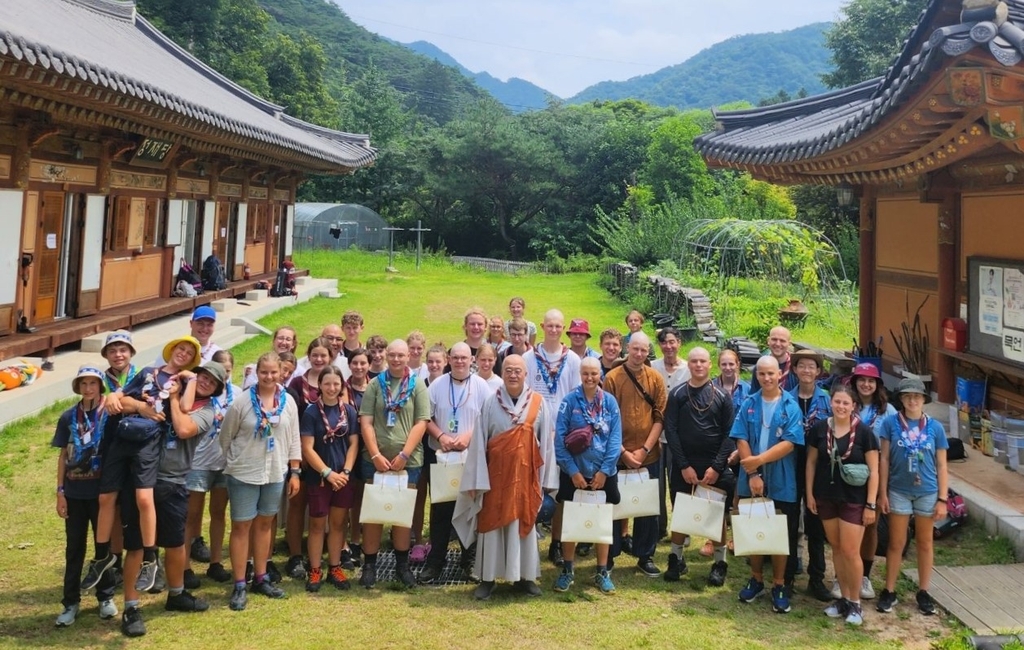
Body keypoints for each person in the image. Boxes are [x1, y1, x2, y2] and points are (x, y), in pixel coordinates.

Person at [82, 335, 202, 596]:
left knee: (144, 500)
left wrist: (189, 379)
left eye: (189, 353)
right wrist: (121, 397)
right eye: (180, 348)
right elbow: (120, 398)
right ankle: (102, 555)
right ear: (171, 350)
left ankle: (150, 557)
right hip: (123, 438)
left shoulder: (183, 383)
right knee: (106, 498)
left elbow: (185, 406)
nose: (183, 353)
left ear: (193, 361)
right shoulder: (148, 372)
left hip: (149, 442)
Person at [118, 361, 226, 636]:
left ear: (215, 390)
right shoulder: (165, 389)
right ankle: (131, 608)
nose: (205, 382)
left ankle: (176, 594)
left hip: (174, 481)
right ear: (195, 375)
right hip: (141, 477)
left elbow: (183, 429)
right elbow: (131, 401)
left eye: (211, 382)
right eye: (202, 376)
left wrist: (177, 397)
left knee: (176, 543)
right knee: (136, 546)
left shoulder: (208, 411)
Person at [453, 355, 553, 600]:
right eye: (508, 370)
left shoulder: (538, 403)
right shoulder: (490, 402)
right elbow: (478, 444)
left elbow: (546, 446)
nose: (513, 375)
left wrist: (547, 482)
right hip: (495, 479)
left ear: (525, 373)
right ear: (503, 372)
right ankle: (487, 579)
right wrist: (477, 480)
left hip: (525, 479)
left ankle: (525, 577)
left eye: (518, 370)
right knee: (491, 525)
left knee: (523, 525)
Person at [219, 352, 302, 611]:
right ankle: (240, 582)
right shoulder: (242, 403)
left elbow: (294, 437)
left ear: (281, 372)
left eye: (273, 372)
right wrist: (236, 460)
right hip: (244, 472)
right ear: (257, 372)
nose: (269, 377)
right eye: (264, 372)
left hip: (275, 472)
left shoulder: (288, 402)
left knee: (265, 524)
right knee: (242, 526)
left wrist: (295, 471)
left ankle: (261, 576)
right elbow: (226, 438)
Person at [732, 355, 804, 614]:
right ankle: (756, 578)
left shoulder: (790, 405)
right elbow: (740, 436)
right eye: (761, 374)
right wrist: (752, 473)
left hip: (782, 478)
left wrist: (758, 461)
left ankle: (779, 584)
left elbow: (790, 441)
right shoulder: (749, 404)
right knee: (754, 528)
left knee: (780, 532)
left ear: (779, 375)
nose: (766, 378)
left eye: (771, 373)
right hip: (751, 478)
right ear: (757, 376)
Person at [357, 339, 431, 589]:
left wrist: (404, 455)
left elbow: (422, 422)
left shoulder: (417, 385)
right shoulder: (375, 385)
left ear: (409, 355)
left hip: (408, 463)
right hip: (374, 462)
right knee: (373, 515)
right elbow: (366, 421)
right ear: (387, 356)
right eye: (393, 355)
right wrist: (376, 454)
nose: (397, 359)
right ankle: (369, 565)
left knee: (402, 515)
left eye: (402, 355)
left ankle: (402, 565)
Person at [805, 384, 879, 626]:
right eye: (837, 401)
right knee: (836, 548)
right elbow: (812, 463)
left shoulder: (865, 433)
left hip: (854, 499)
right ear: (831, 403)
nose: (841, 406)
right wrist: (810, 493)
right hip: (826, 496)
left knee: (850, 551)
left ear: (853, 406)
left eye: (846, 403)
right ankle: (844, 599)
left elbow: (874, 471)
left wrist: (870, 504)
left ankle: (856, 603)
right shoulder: (819, 429)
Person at [418, 342, 492, 584]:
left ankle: (469, 560)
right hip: (443, 457)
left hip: (471, 458)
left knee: (471, 509)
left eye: (465, 358)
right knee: (441, 511)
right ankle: (436, 561)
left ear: (472, 359)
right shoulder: (437, 385)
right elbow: (425, 418)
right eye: (456, 357)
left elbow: (488, 418)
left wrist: (468, 437)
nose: (460, 362)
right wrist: (441, 436)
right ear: (449, 359)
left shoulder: (481, 386)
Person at [663, 347, 736, 586]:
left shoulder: (723, 397)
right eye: (693, 361)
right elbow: (671, 430)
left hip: (713, 466)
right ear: (689, 365)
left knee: (715, 515)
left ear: (709, 365)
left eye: (702, 361)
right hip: (685, 464)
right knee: (682, 511)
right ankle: (676, 559)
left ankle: (719, 564)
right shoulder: (677, 394)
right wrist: (683, 465)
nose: (698, 365)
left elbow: (730, 434)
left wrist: (716, 467)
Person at [876, 378, 949, 617]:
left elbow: (942, 464)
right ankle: (889, 589)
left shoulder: (935, 427)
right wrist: (882, 492)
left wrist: (943, 498)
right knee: (896, 542)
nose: (912, 400)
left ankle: (924, 591)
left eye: (916, 396)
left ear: (924, 400)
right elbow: (884, 459)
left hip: (927, 491)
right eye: (907, 396)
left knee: (925, 542)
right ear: (901, 400)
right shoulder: (890, 423)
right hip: (898, 490)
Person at [53, 366, 118, 628]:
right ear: (77, 387)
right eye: (84, 383)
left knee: (104, 548)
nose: (88, 388)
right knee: (74, 548)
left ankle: (106, 597)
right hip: (75, 492)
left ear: (101, 386)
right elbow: (62, 456)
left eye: (93, 383)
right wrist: (60, 492)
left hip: (102, 494)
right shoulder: (68, 416)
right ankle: (70, 602)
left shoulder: (110, 414)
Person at [553, 357, 623, 595]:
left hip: (603, 474)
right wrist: (572, 472)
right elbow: (559, 440)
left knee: (603, 521)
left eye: (594, 373)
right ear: (580, 375)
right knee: (571, 521)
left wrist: (604, 471)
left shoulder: (610, 403)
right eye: (585, 374)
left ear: (600, 374)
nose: (590, 378)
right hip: (575, 474)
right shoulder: (569, 401)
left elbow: (615, 439)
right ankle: (568, 569)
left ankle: (602, 571)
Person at [603, 332, 667, 578]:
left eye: (643, 350)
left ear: (648, 351)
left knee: (647, 508)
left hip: (648, 455)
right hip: (617, 455)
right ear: (627, 348)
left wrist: (644, 449)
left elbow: (660, 417)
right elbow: (606, 419)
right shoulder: (612, 378)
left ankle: (645, 554)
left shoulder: (655, 379)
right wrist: (623, 451)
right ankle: (609, 555)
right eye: (635, 349)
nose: (639, 354)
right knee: (613, 505)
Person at [522, 309, 582, 566]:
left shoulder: (573, 361)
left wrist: (564, 428)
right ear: (542, 326)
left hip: (562, 435)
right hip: (532, 433)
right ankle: (527, 540)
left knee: (561, 490)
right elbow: (523, 395)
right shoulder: (528, 358)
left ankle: (556, 543)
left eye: (559, 326)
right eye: (550, 325)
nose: (554, 330)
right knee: (530, 485)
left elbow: (576, 397)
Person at [301, 366, 360, 592]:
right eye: (327, 384)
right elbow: (307, 448)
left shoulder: (350, 412)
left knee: (338, 524)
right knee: (317, 525)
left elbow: (354, 443)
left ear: (342, 386)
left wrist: (345, 472)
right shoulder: (311, 412)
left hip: (344, 478)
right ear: (320, 386)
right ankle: (315, 569)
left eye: (336, 384)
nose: (332, 388)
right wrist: (327, 472)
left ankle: (334, 566)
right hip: (321, 478)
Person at [184, 350, 238, 587]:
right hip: (198, 461)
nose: (223, 373)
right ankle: (184, 565)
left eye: (227, 369)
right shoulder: (200, 391)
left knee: (219, 513)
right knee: (192, 514)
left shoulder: (237, 394)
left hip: (224, 463)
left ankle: (215, 562)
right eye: (219, 369)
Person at [788, 349, 832, 602]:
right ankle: (790, 572)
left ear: (818, 371)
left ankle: (817, 577)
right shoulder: (786, 398)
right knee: (791, 520)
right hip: (791, 465)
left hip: (820, 469)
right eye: (802, 366)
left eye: (811, 367)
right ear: (795, 369)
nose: (806, 371)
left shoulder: (828, 400)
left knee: (816, 523)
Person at [850, 362, 895, 600]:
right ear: (854, 382)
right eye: (861, 380)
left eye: (871, 381)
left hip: (875, 474)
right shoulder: (846, 404)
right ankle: (843, 575)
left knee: (870, 525)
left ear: (877, 384)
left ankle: (865, 576)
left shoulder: (888, 412)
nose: (866, 385)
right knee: (847, 525)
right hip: (847, 472)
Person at [652, 326, 691, 539]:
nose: (669, 346)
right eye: (664, 342)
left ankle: (682, 530)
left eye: (672, 342)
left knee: (679, 484)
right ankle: (659, 528)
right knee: (657, 486)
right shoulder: (652, 367)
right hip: (656, 436)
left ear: (679, 343)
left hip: (681, 438)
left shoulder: (688, 368)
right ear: (660, 345)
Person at [750, 326, 798, 393]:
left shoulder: (795, 367)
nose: (778, 344)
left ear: (789, 344)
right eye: (774, 339)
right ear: (768, 341)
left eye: (782, 341)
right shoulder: (761, 365)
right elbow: (754, 394)